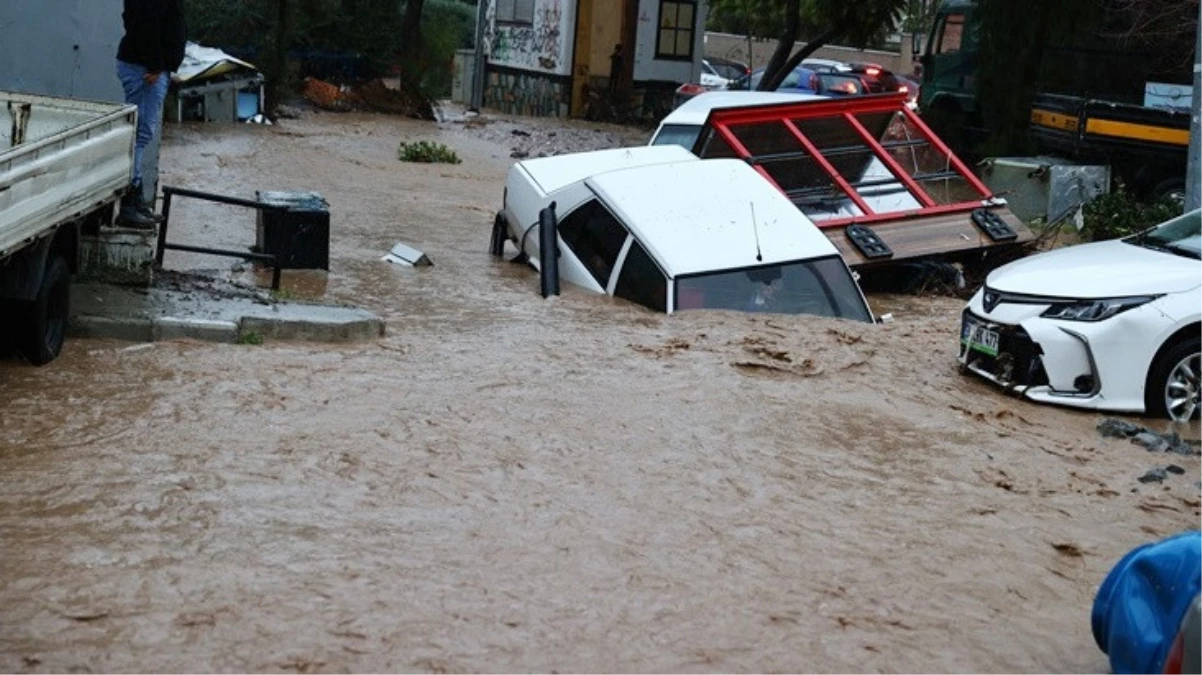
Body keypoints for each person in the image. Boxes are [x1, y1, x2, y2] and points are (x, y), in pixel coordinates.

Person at [115, 0, 187, 229]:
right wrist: (156, 65)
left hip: (148, 66)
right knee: (140, 133)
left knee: (140, 133)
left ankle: (136, 201)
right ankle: (129, 203)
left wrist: (165, 66)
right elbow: (145, 22)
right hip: (144, 69)